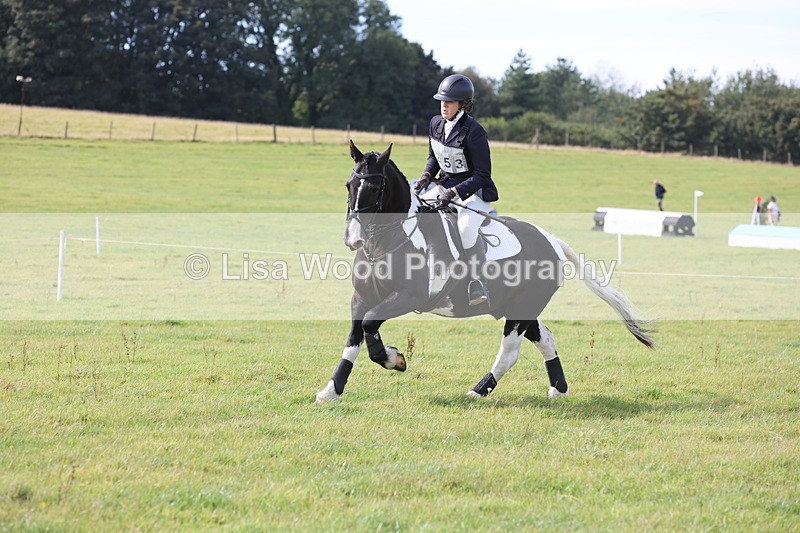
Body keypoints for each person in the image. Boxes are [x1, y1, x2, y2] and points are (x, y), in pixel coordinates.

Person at [413, 73, 498, 306]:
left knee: (465, 227)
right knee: (415, 208)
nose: (444, 106)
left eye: (449, 102)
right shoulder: (435, 123)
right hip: (444, 185)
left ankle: (478, 282)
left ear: (462, 104)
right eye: (442, 101)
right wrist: (426, 176)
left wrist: (454, 193)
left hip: (474, 192)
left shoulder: (474, 131)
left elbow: (483, 174)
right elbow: (434, 157)